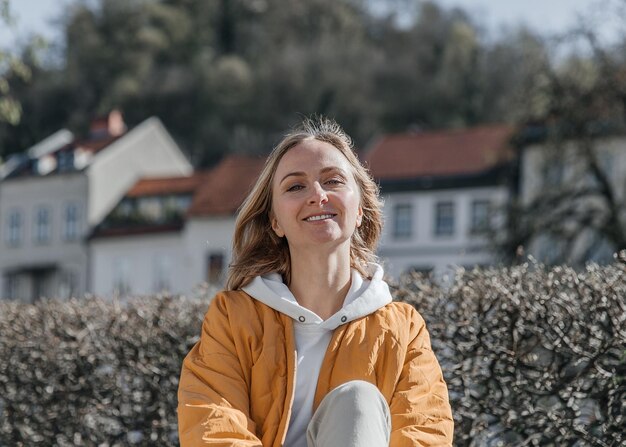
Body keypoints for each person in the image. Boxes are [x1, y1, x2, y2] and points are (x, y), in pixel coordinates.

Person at [177, 117, 454, 446]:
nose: (317, 195)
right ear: (275, 220)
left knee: (358, 401)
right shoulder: (233, 319)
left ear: (361, 208)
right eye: (296, 186)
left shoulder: (403, 329)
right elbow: (212, 426)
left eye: (333, 181)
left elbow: (424, 432)